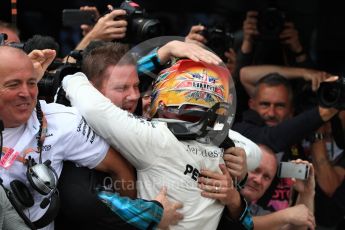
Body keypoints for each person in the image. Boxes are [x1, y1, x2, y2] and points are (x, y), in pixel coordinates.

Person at [62, 53, 262, 229]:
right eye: (123, 88)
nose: (134, 96)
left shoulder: (158, 138)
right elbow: (255, 154)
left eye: (137, 86)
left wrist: (71, 77)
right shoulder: (220, 143)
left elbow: (94, 108)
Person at [0, 46, 183, 230]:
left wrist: (145, 216)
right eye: (13, 84)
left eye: (32, 83)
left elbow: (119, 169)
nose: (26, 92)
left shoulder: (62, 121)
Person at [232, 70, 338, 213]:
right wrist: (305, 73)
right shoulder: (239, 132)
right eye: (265, 104)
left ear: (291, 110)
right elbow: (245, 74)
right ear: (252, 104)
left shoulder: (299, 146)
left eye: (280, 106)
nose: (271, 113)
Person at [200, 144, 316, 230]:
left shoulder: (262, 211)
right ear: (242, 166)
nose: (258, 180)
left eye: (266, 177)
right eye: (255, 170)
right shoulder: (221, 188)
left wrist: (307, 192)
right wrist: (285, 216)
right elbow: (243, 223)